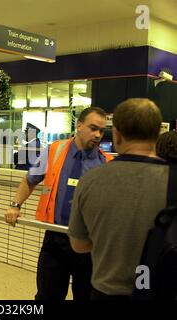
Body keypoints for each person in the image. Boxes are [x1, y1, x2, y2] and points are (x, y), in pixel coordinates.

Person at [5, 107, 113, 300]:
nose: (98, 135)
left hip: (89, 244)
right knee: (47, 296)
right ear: (79, 126)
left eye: (101, 131)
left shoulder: (106, 163)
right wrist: (15, 205)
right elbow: (29, 180)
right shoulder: (55, 150)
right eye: (93, 128)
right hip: (55, 240)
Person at [68, 98, 170, 300]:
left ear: (116, 134)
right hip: (160, 291)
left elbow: (79, 245)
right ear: (157, 133)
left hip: (107, 291)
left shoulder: (90, 181)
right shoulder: (172, 179)